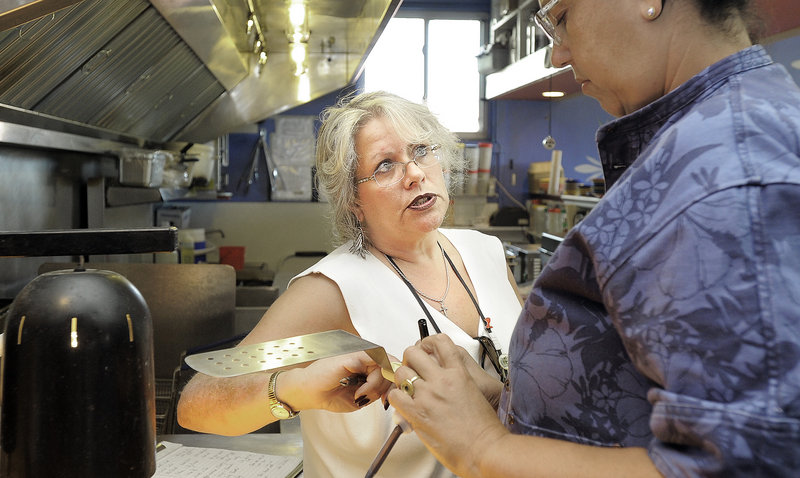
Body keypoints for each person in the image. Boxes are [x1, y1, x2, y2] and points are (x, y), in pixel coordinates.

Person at [383, 0, 800, 477]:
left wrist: (480, 446)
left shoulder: (732, 178)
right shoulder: (706, 145)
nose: (556, 55)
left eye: (560, 17)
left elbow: (747, 467)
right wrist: (503, 400)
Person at [177, 91, 524, 477]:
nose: (414, 174)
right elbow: (199, 403)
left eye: (422, 150)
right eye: (385, 166)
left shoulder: (486, 253)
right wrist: (295, 387)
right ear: (353, 201)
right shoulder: (332, 288)